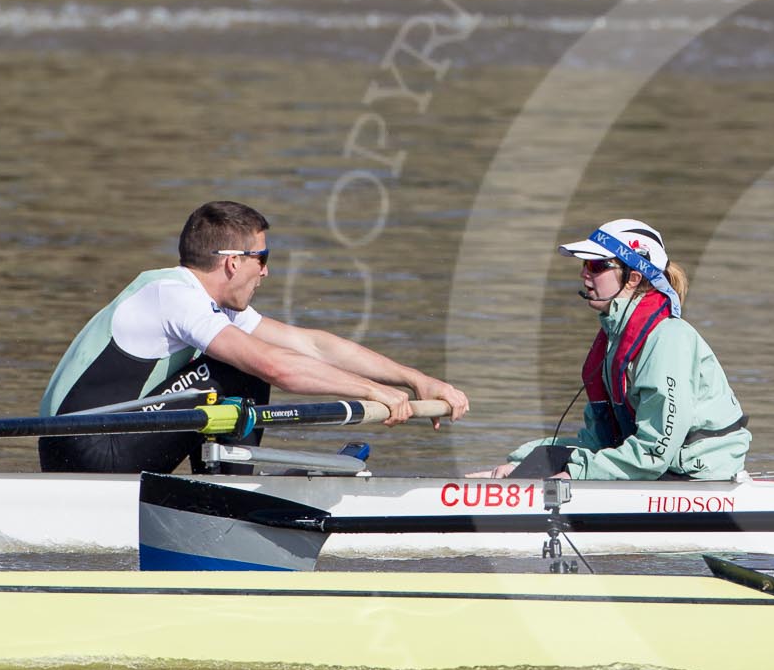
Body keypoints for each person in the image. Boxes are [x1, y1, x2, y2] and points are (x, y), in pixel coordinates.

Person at [38, 200, 468, 474]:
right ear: (231, 263)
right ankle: (229, 496)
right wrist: (374, 392)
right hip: (86, 453)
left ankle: (220, 485)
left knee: (246, 360)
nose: (265, 271)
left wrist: (412, 380)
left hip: (94, 444)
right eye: (261, 258)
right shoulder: (174, 297)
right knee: (239, 370)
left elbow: (312, 346)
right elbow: (276, 368)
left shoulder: (206, 302)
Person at [484, 217, 750, 481]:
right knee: (540, 459)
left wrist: (575, 473)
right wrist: (524, 462)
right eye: (585, 264)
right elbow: (598, 442)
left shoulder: (668, 339)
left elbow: (655, 452)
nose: (584, 273)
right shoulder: (615, 337)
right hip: (658, 464)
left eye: (597, 265)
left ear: (633, 278)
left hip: (694, 473)